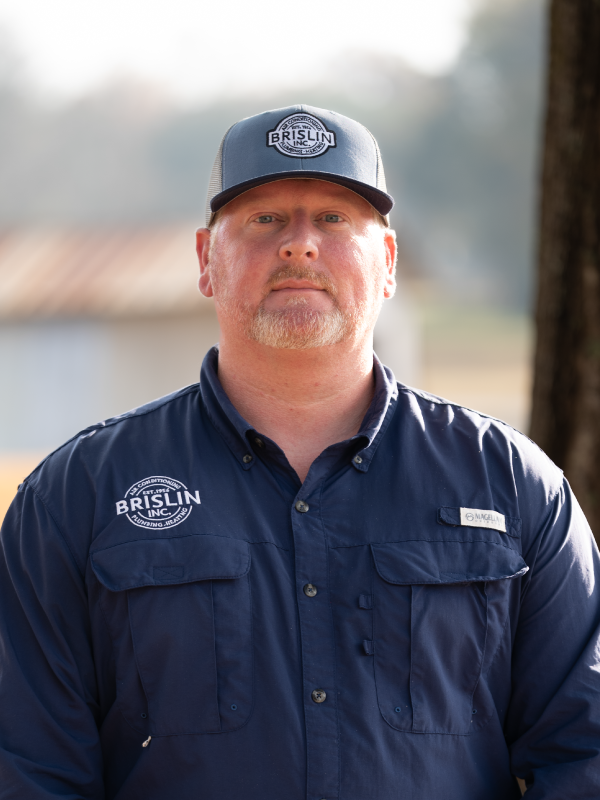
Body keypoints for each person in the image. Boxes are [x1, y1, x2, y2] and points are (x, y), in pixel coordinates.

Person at [0, 104, 599, 800]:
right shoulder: (77, 497)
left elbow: (584, 752)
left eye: (335, 219)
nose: (300, 245)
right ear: (205, 260)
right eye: (265, 219)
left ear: (390, 262)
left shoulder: (512, 486)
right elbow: (30, 771)